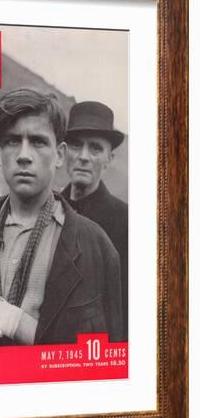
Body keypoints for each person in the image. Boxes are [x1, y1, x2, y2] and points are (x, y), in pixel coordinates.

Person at [0, 89, 123, 347]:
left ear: (59, 154)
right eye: (12, 141)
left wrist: (10, 320)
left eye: (38, 141)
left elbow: (102, 356)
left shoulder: (95, 246)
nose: (24, 155)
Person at [61, 101, 128, 340]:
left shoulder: (126, 222)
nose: (83, 157)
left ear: (109, 158)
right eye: (76, 145)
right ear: (63, 151)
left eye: (95, 149)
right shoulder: (47, 212)